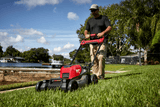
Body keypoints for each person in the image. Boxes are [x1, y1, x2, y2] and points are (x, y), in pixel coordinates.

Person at [84, 4, 112, 79]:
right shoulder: (89, 21)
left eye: (94, 10)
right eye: (91, 11)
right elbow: (86, 30)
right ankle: (95, 77)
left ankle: (101, 75)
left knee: (101, 57)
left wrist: (103, 33)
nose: (93, 12)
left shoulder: (104, 18)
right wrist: (86, 35)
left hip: (102, 41)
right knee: (93, 60)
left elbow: (109, 27)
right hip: (92, 43)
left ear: (98, 10)